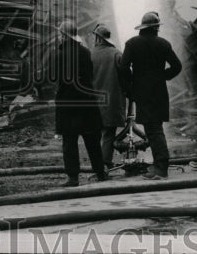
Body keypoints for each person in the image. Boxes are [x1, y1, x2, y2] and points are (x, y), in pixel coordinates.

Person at [118, 11, 182, 180]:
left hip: (141, 92)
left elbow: (123, 68)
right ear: (155, 28)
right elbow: (177, 66)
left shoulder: (131, 43)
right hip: (159, 91)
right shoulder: (164, 44)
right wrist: (163, 76)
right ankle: (159, 165)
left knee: (153, 129)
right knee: (155, 128)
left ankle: (161, 168)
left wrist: (130, 88)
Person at [50, 19, 107, 187]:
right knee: (92, 140)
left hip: (68, 103)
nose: (59, 37)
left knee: (69, 141)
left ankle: (73, 178)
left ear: (63, 35)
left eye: (60, 34)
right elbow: (90, 75)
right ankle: (100, 172)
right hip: (87, 102)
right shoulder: (85, 52)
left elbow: (55, 78)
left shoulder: (59, 54)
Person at [89, 23, 125, 171]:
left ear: (97, 37)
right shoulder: (117, 54)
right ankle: (106, 163)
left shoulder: (89, 54)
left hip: (93, 102)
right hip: (112, 102)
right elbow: (125, 77)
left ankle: (97, 166)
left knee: (94, 134)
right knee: (109, 134)